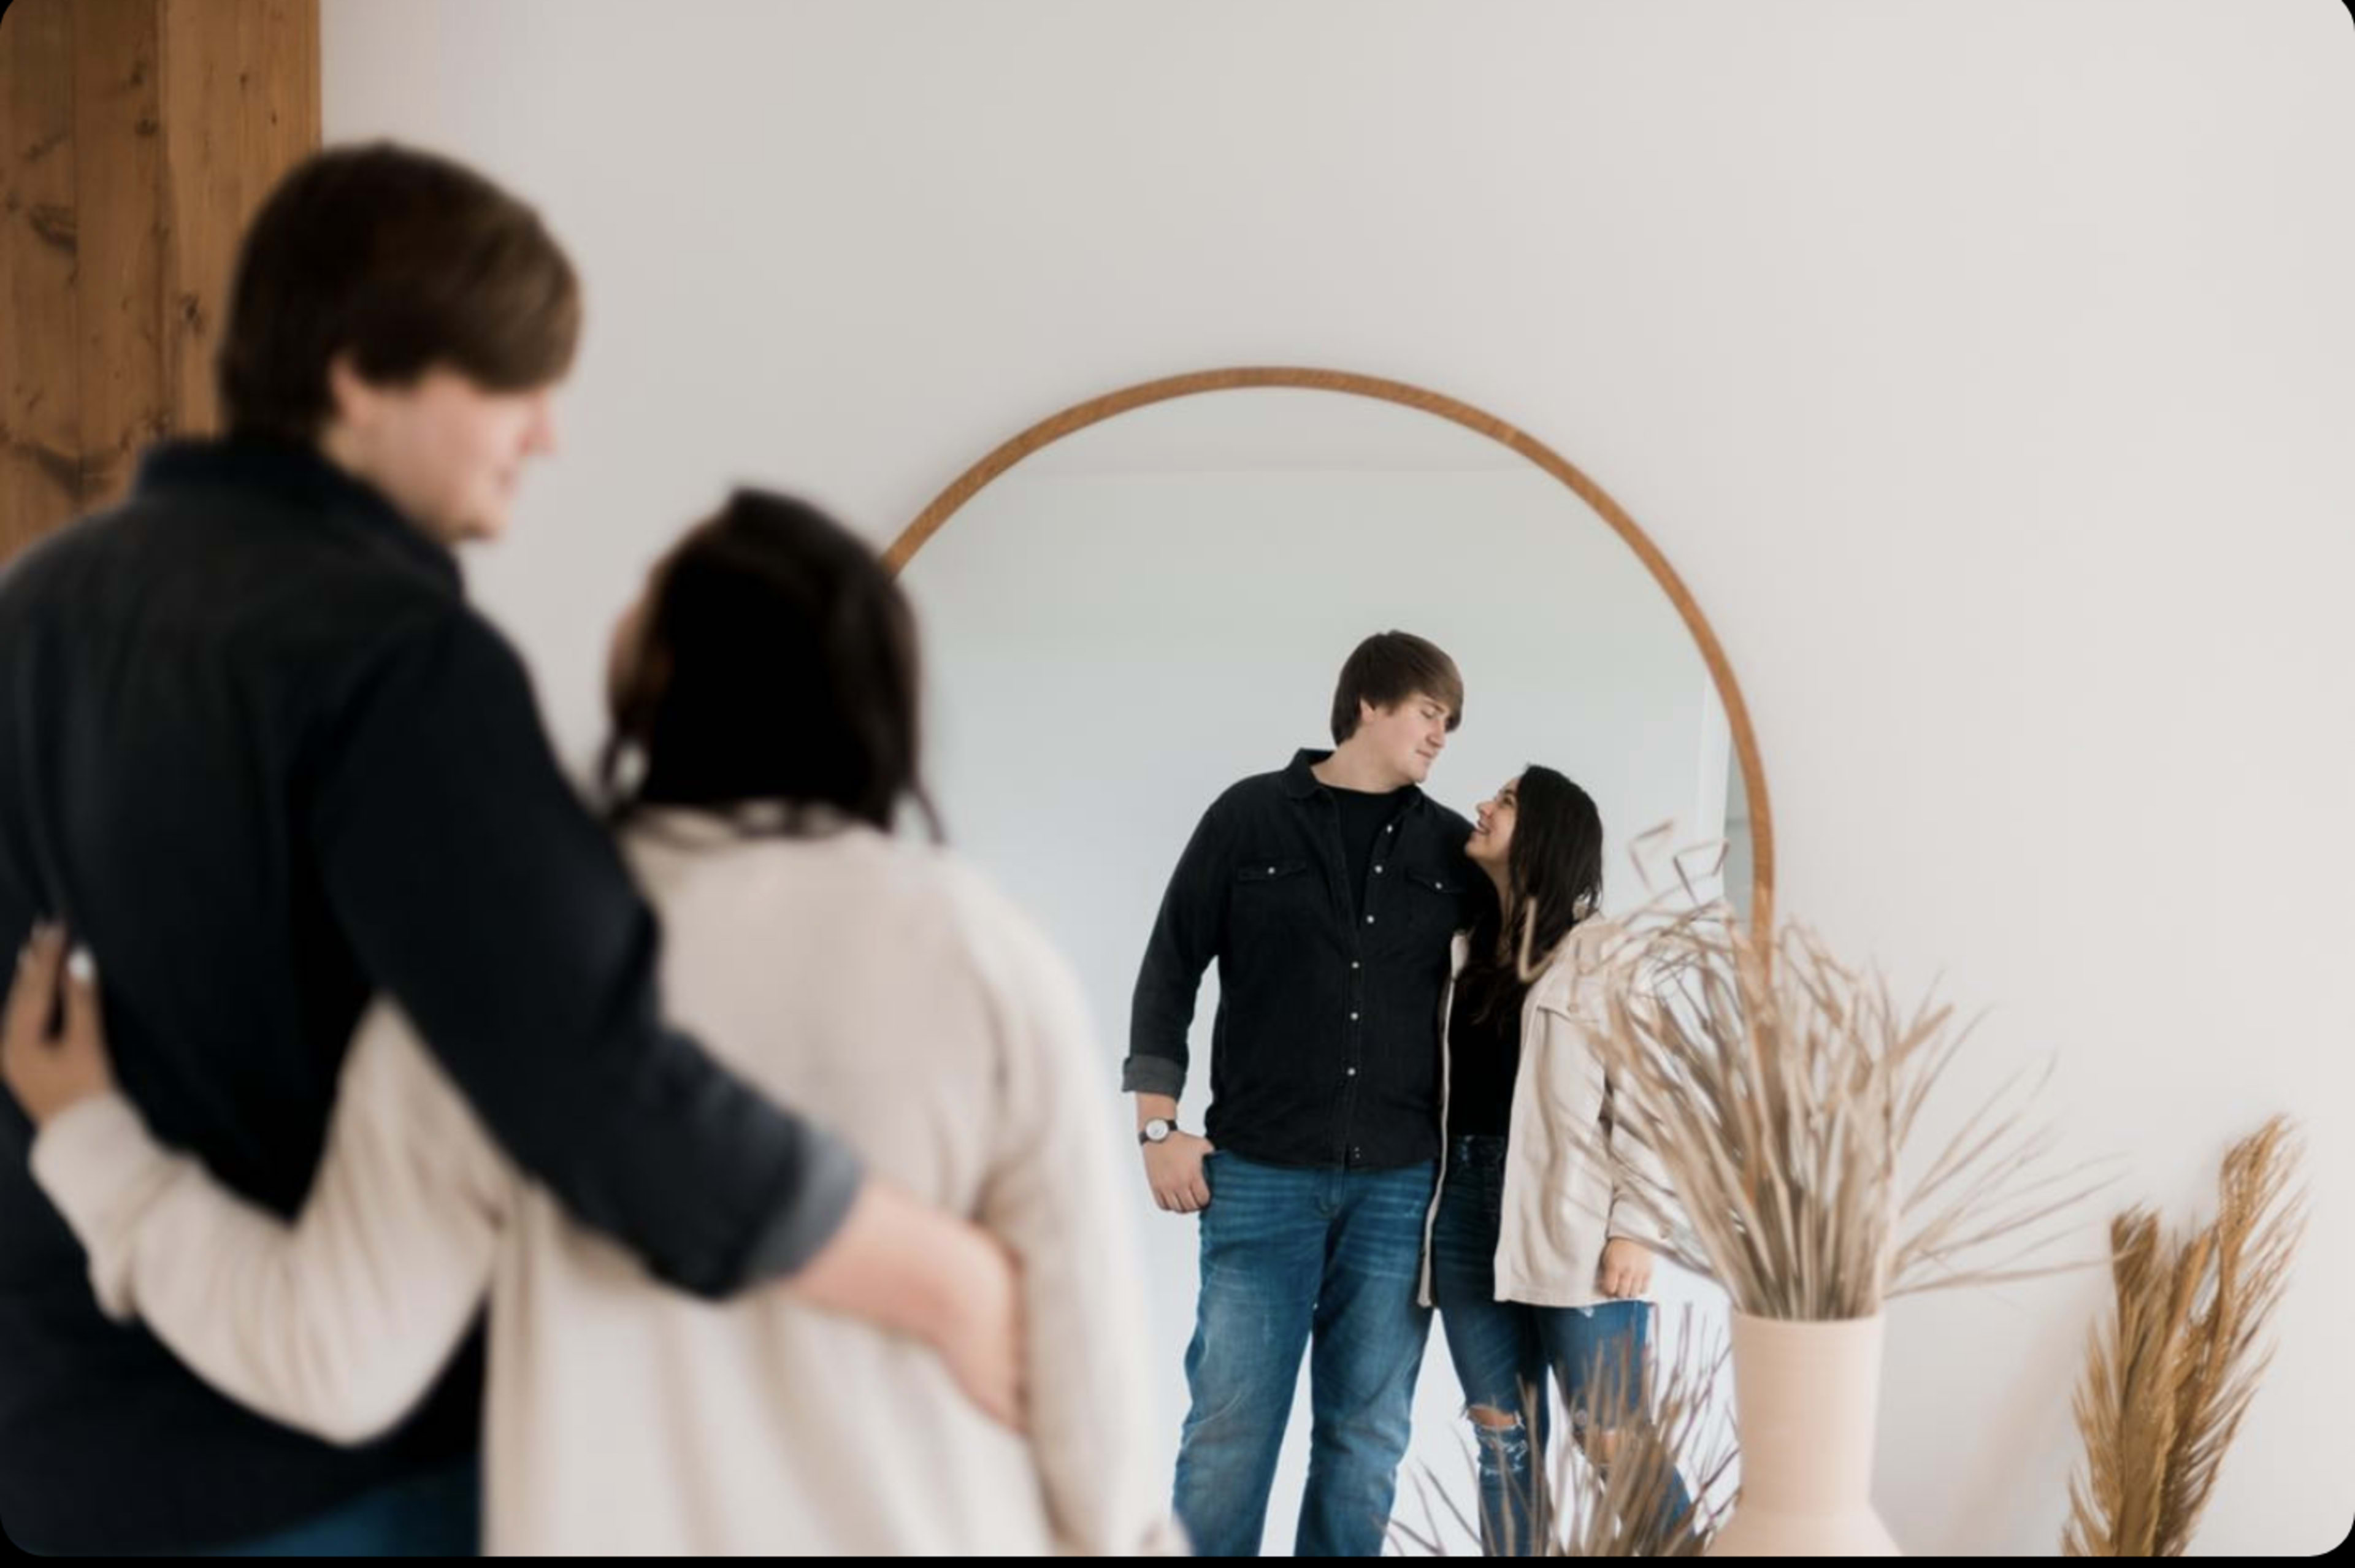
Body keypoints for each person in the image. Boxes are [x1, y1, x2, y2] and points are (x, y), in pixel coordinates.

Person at [0, 144, 1016, 1557]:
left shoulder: (35, 605)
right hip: (328, 1482)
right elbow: (594, 1076)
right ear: (359, 374)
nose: (542, 433)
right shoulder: (396, 661)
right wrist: (936, 1278)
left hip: (55, 1449)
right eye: (510, 383)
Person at [2, 491, 1181, 1555]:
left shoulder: (511, 962)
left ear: (651, 668)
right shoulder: (982, 954)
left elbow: (334, 1356)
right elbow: (1093, 1404)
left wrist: (97, 1146)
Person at [1128, 632, 1473, 1556]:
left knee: (1366, 1442)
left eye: (1452, 722)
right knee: (1230, 1435)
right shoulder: (1248, 816)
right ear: (1369, 701)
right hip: (1257, 1178)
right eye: (1430, 712)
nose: (1442, 736)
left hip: (1402, 1190)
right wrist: (1157, 1124)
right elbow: (1169, 969)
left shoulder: (1451, 848)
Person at [1419, 767, 1692, 1554]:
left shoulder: (1606, 952)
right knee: (1502, 1441)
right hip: (1466, 1212)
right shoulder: (1464, 948)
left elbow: (1653, 1102)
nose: (1482, 805)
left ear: (1545, 831)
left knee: (1611, 1440)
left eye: (1503, 800)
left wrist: (1637, 1228)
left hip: (1572, 1216)